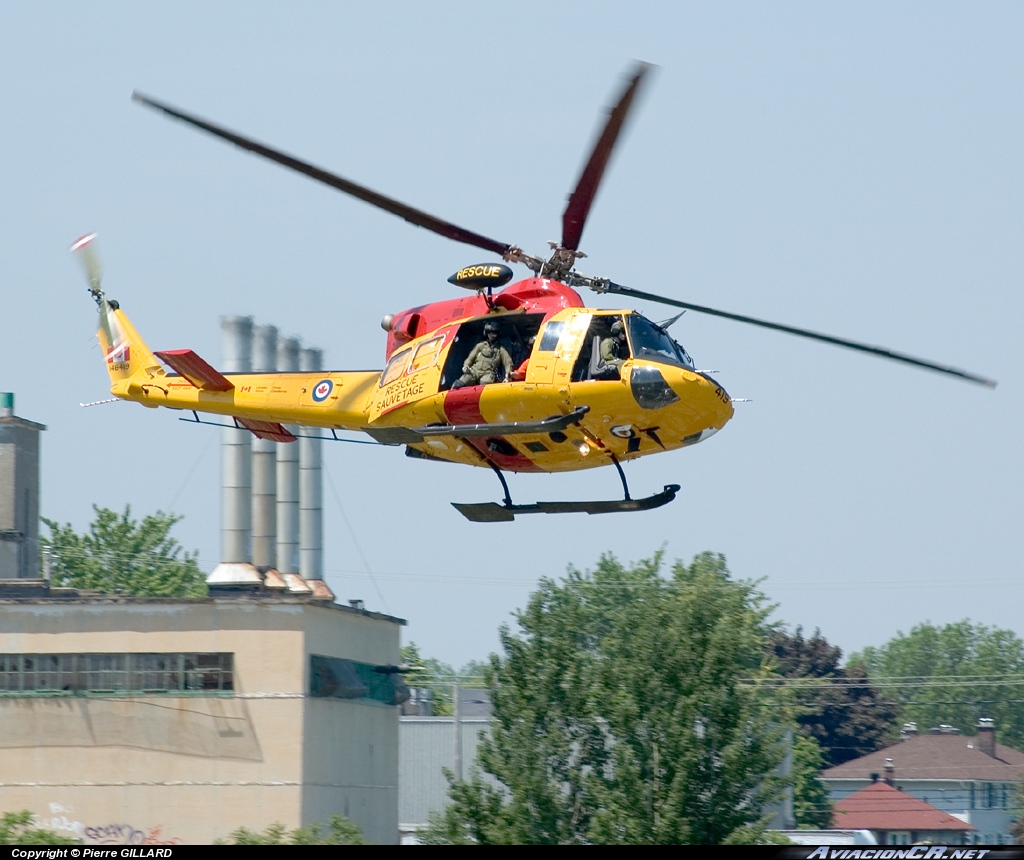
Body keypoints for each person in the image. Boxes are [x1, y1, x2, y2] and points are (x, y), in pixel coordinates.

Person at [452, 321, 513, 388]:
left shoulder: (500, 349)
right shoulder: (480, 346)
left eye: (494, 333)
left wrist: (508, 374)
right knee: (458, 384)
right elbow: (470, 358)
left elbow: (508, 362)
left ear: (498, 334)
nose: (491, 335)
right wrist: (466, 366)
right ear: (486, 333)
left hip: (488, 373)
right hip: (474, 371)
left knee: (484, 386)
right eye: (489, 332)